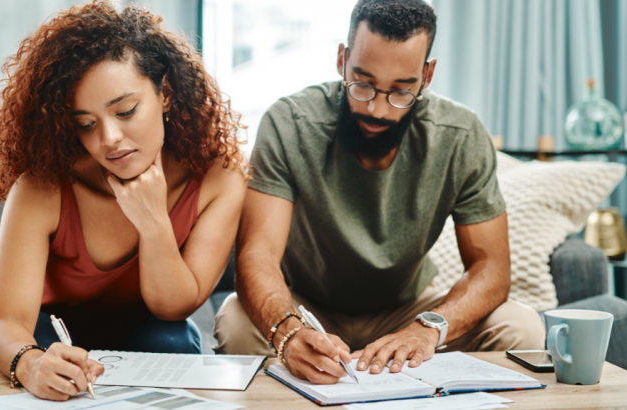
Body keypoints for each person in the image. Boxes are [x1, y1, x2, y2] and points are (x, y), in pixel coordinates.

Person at [214, 0, 545, 385]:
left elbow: (491, 268)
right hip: (307, 308)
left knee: (521, 326)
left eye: (401, 91)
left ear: (427, 75)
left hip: (409, 309)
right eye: (363, 84)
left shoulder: (460, 135)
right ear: (342, 60)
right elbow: (258, 253)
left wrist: (427, 329)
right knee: (234, 320)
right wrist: (288, 331)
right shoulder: (289, 124)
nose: (378, 109)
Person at [0, 1, 246, 401]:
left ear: (167, 94)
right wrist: (32, 363)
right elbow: (4, 321)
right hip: (51, 332)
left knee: (173, 342)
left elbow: (172, 309)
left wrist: (153, 220)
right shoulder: (43, 186)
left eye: (125, 111)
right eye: (86, 124)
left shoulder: (220, 177)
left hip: (154, 330)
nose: (108, 140)